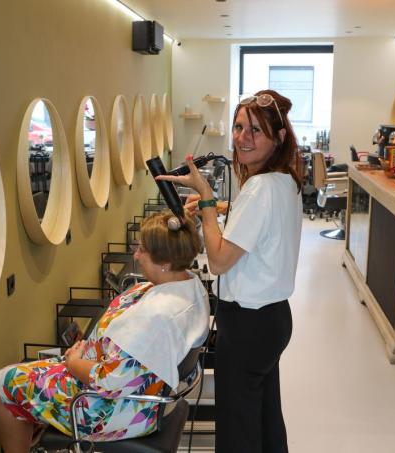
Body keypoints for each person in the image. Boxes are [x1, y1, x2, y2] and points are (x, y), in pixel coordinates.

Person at [157, 89, 303, 453]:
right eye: (239, 127)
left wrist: (207, 201)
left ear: (278, 136)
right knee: (266, 420)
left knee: (239, 432)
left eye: (256, 130)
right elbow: (262, 224)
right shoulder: (285, 179)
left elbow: (220, 261)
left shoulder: (259, 189)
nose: (243, 137)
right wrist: (222, 208)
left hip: (248, 327)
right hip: (273, 320)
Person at [0, 211, 209, 452]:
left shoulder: (156, 317)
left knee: (7, 381)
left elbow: (108, 382)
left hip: (117, 408)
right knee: (31, 375)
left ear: (166, 263)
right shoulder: (190, 286)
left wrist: (73, 362)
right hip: (146, 389)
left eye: (143, 251)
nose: (136, 255)